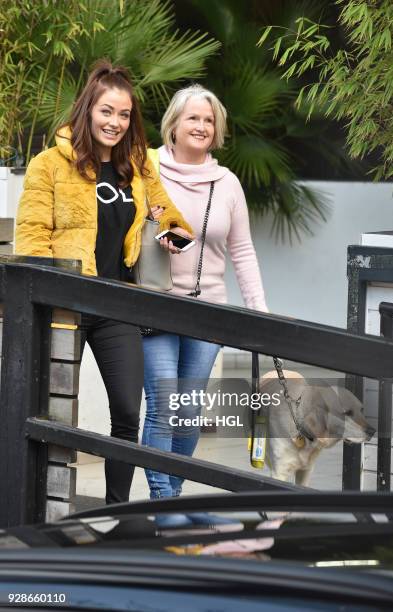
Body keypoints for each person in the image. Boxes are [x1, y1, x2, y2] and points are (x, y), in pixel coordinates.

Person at [15, 60, 192, 505]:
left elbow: (169, 214)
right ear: (88, 110)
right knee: (49, 413)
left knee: (130, 411)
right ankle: (39, 506)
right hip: (64, 306)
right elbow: (32, 237)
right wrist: (45, 296)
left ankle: (116, 510)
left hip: (117, 305)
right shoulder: (49, 164)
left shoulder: (138, 166)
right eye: (106, 112)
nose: (115, 122)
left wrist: (173, 232)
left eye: (124, 114)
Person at [142, 84, 268, 517]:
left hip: (207, 309)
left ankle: (168, 502)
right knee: (163, 404)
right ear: (173, 125)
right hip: (154, 307)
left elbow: (243, 252)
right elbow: (130, 226)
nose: (201, 125)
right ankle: (164, 507)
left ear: (217, 131)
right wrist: (162, 231)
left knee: (188, 409)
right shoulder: (146, 170)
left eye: (209, 120)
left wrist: (259, 312)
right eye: (192, 117)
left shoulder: (227, 183)